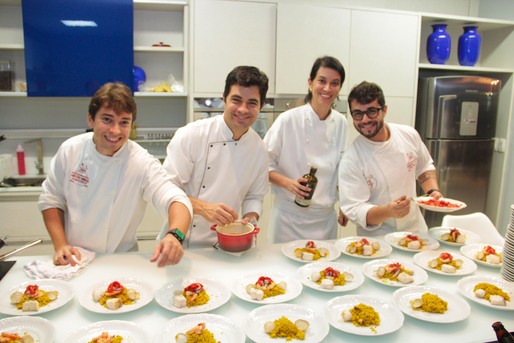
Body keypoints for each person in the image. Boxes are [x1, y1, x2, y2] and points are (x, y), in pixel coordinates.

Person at [38, 82, 192, 267]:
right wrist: (60, 245)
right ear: (90, 119)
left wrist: (175, 235)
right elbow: (51, 199)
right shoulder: (70, 150)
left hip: (121, 261)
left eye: (124, 122)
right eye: (107, 119)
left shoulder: (141, 162)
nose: (115, 131)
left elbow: (176, 200)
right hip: (74, 258)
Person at [160, 66, 269, 247]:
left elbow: (254, 196)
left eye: (252, 103)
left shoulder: (259, 149)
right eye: (236, 100)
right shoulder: (191, 135)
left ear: (261, 106)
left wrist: (250, 219)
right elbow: (166, 189)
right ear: (224, 99)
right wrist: (204, 208)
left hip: (226, 244)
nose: (243, 109)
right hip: (182, 242)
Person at [339, 81, 442, 236]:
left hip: (416, 231)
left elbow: (424, 166)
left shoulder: (408, 135)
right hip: (378, 241)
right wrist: (387, 211)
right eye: (358, 114)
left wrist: (432, 191)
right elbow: (355, 209)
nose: (365, 120)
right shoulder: (351, 159)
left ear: (384, 110)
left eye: (372, 111)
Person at [263, 56, 349, 243]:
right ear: (310, 83)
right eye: (322, 81)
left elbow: (342, 169)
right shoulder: (288, 120)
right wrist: (288, 183)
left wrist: (345, 203)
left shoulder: (341, 122)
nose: (327, 89)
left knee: (324, 269)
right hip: (288, 219)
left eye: (335, 83)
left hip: (324, 219)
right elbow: (262, 164)